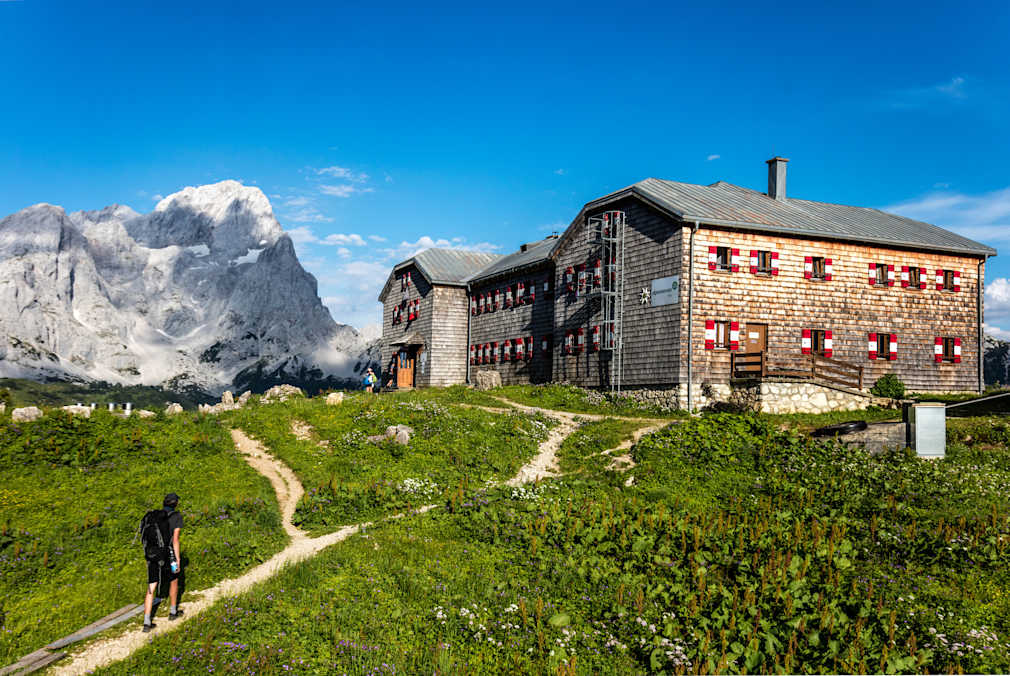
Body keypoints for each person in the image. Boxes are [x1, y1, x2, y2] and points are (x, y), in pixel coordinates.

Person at [143, 492, 183, 632]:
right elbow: (175, 540)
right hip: (168, 553)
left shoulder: (156, 516)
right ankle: (173, 612)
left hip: (153, 553)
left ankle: (147, 622)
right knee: (174, 580)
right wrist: (177, 559)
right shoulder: (176, 517)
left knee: (151, 586)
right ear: (176, 504)